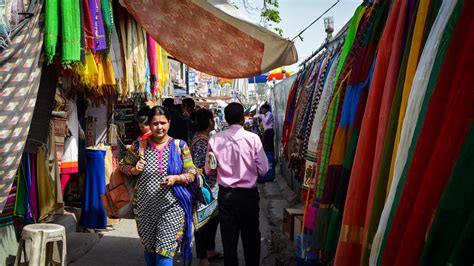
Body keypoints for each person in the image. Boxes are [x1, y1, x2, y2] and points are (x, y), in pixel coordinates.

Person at [120, 106, 197, 266]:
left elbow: (191, 173)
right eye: (155, 123)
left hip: (172, 208)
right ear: (149, 124)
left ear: (169, 123)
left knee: (164, 251)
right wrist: (133, 169)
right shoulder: (138, 147)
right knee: (150, 249)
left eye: (163, 123)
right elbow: (122, 167)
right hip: (144, 208)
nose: (159, 127)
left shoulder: (180, 146)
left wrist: (177, 178)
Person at [205, 102, 269, 266]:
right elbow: (263, 170)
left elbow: (210, 170)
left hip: (226, 195)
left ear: (225, 119)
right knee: (251, 237)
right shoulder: (253, 138)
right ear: (242, 118)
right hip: (248, 196)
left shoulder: (215, 139)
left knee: (229, 238)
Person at [190, 109, 222, 266]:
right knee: (202, 221)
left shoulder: (201, 138)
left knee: (212, 219)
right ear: (210, 121)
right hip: (204, 187)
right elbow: (202, 165)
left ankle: (209, 250)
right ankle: (203, 258)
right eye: (213, 119)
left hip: (211, 187)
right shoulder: (202, 141)